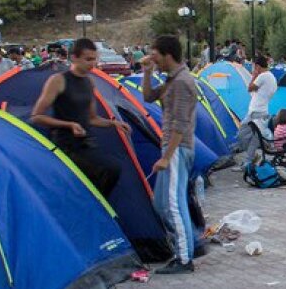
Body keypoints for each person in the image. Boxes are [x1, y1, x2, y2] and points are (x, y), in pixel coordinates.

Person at [30, 38, 130, 197]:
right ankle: (92, 205)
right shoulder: (58, 80)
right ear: (74, 58)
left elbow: (92, 118)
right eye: (88, 59)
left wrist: (114, 123)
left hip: (86, 142)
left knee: (113, 170)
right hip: (65, 144)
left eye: (94, 59)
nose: (92, 63)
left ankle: (94, 204)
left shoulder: (89, 82)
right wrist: (69, 125)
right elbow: (36, 116)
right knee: (110, 168)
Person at [141, 35, 200, 275]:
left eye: (155, 56)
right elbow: (147, 97)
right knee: (162, 202)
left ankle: (184, 259)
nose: (154, 61)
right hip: (170, 148)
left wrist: (167, 156)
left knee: (173, 205)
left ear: (168, 55)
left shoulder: (182, 82)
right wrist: (146, 72)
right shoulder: (170, 81)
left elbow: (181, 124)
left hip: (177, 147)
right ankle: (182, 250)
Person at [237, 57, 278, 159]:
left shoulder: (262, 76)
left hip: (255, 111)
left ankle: (267, 140)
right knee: (255, 139)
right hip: (264, 110)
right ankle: (248, 161)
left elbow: (250, 88)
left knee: (241, 134)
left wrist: (254, 76)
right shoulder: (272, 77)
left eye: (254, 67)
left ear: (258, 66)